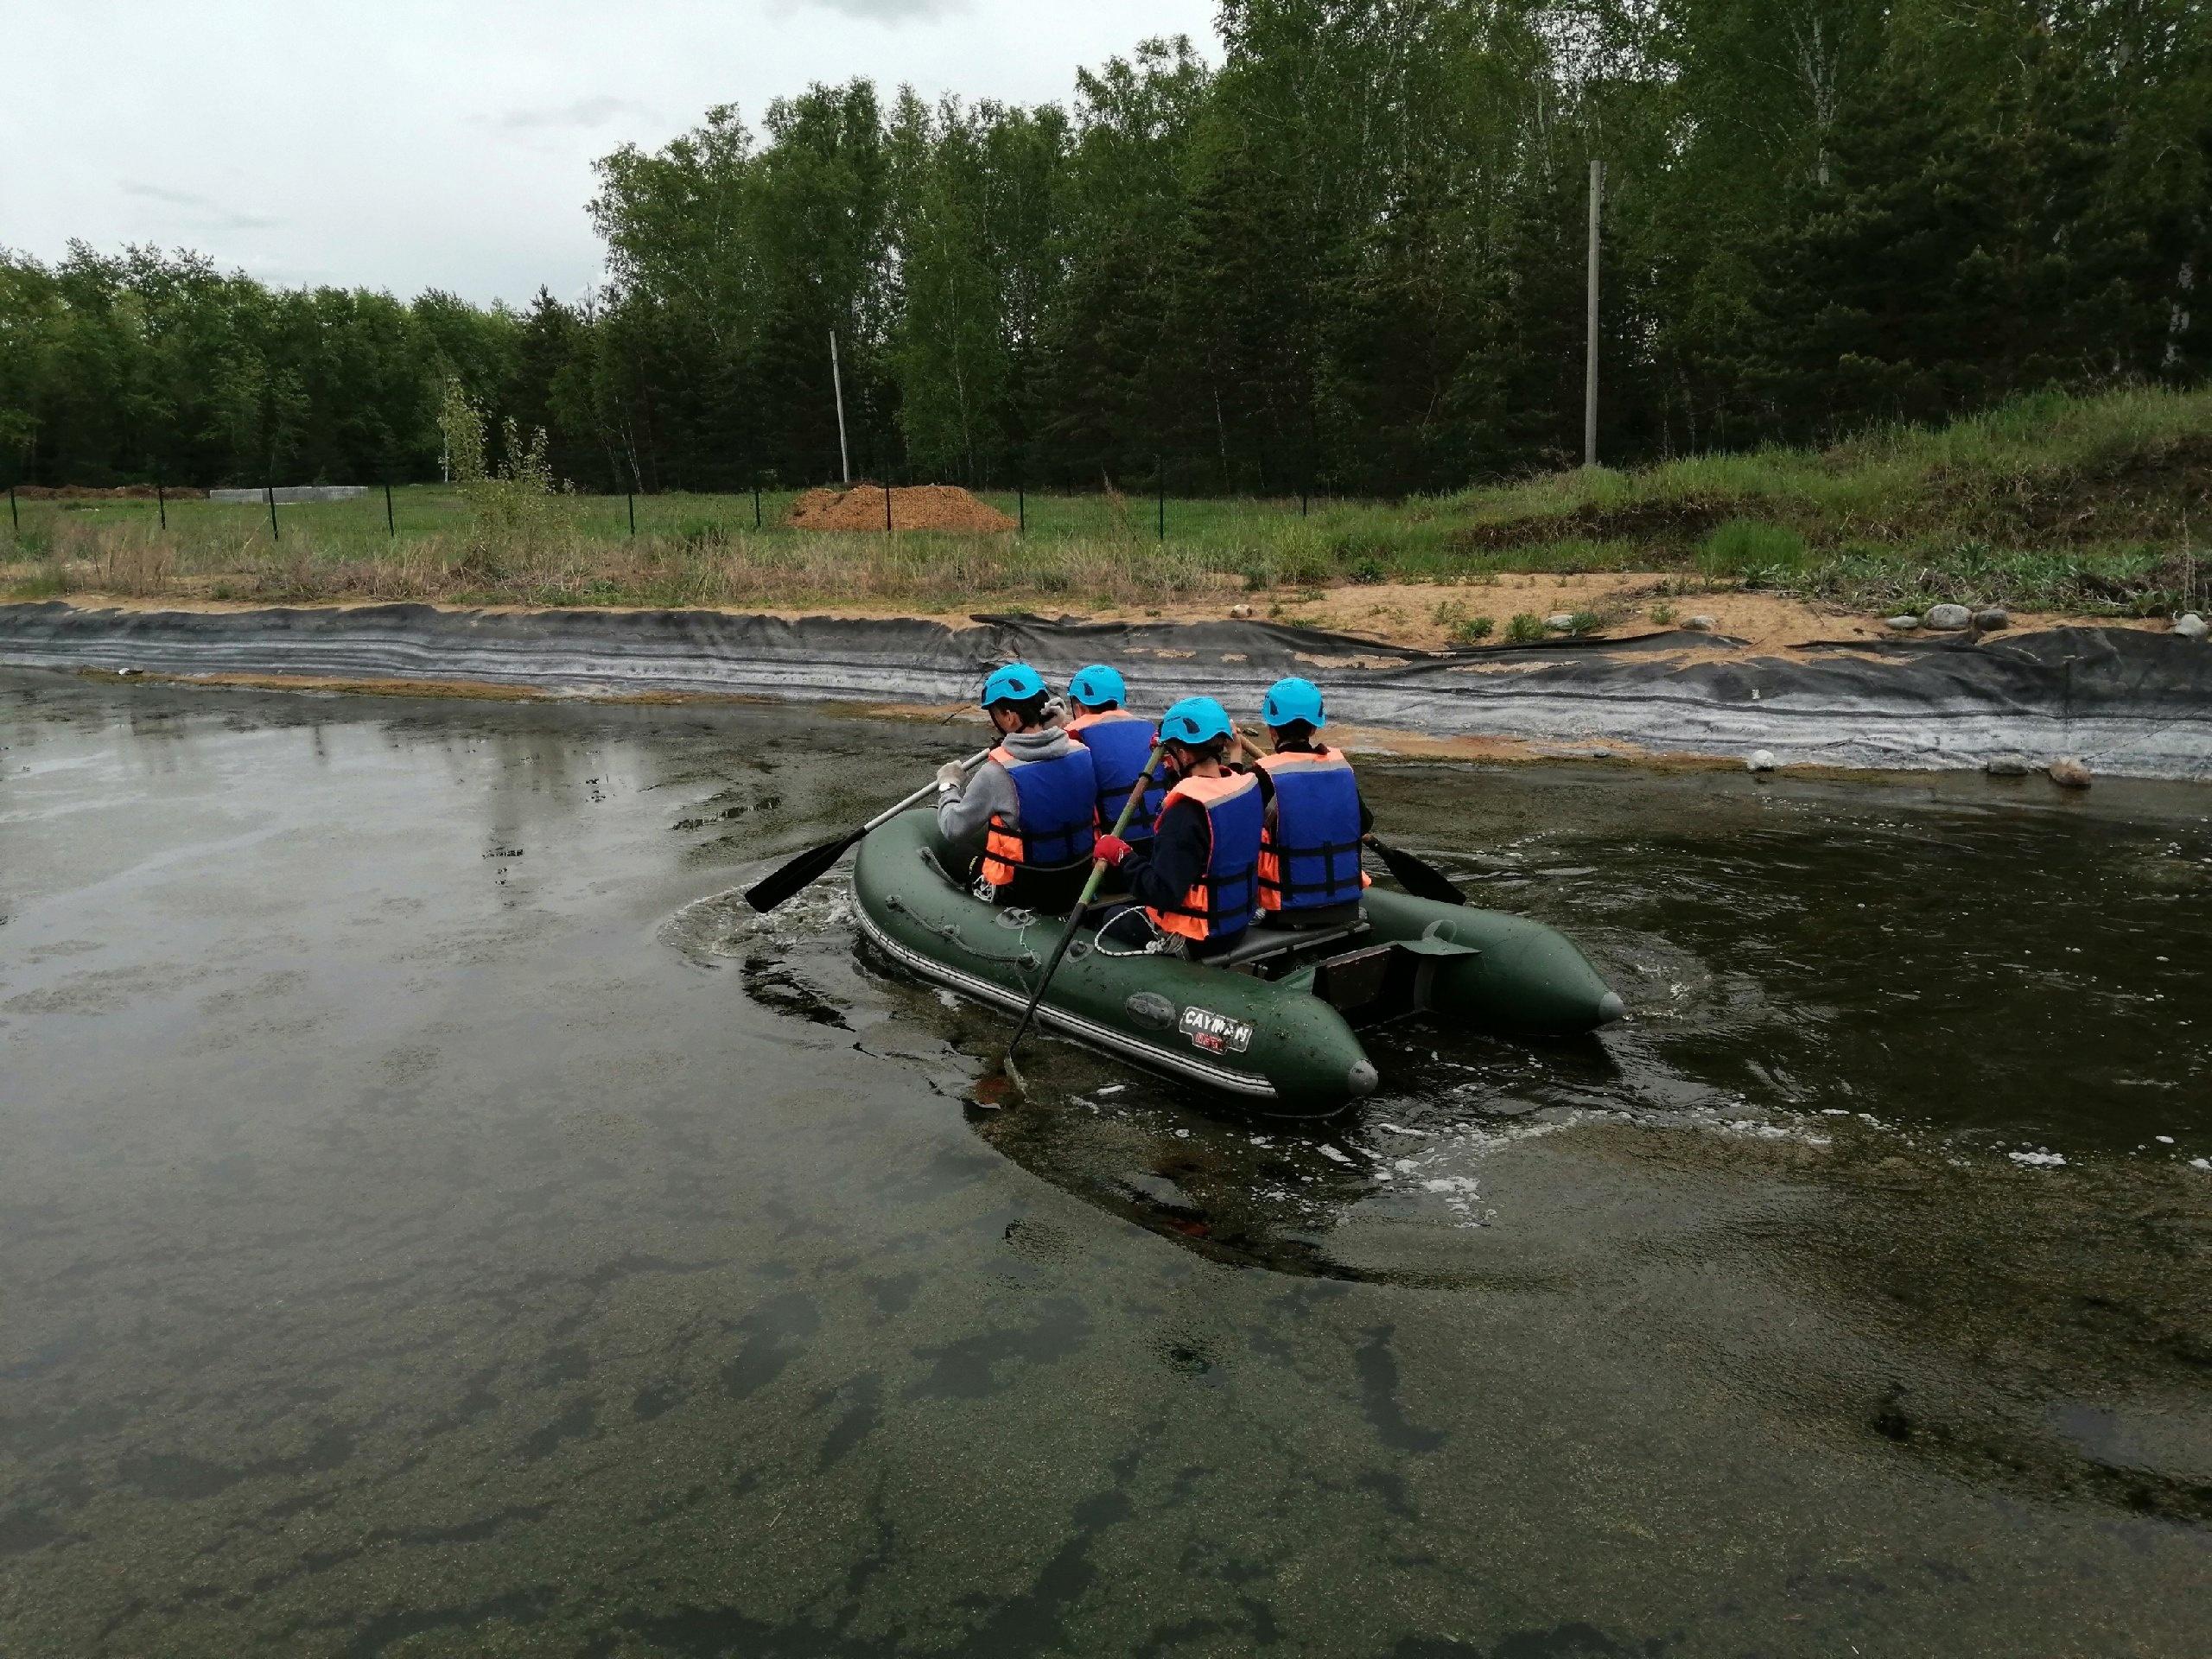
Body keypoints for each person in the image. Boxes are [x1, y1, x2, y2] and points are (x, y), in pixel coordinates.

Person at [1090, 696, 1262, 959]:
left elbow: (1162, 893)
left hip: (1199, 936)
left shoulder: (1186, 812)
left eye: (1170, 753)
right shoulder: (1243, 787)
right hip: (1235, 921)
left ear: (1183, 754)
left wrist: (1123, 857)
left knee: (1110, 916)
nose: (1166, 760)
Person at [936, 663, 1098, 908]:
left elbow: (952, 828)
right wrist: (1051, 728)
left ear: (1009, 717)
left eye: (995, 714)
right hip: (1080, 877)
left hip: (1026, 888)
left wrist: (948, 786)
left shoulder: (996, 773)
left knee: (954, 853)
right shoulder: (1082, 752)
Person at [1249, 677, 1371, 927]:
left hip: (1286, 913)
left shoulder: (1264, 775)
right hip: (1345, 906)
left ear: (1272, 730)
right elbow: (1364, 823)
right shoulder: (1341, 767)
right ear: (1314, 728)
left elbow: (1231, 834)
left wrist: (1235, 761)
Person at [1061, 664, 1166, 846]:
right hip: (1159, 836)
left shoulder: (1075, 736)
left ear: (1079, 708)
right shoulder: (1148, 728)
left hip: (1112, 845)